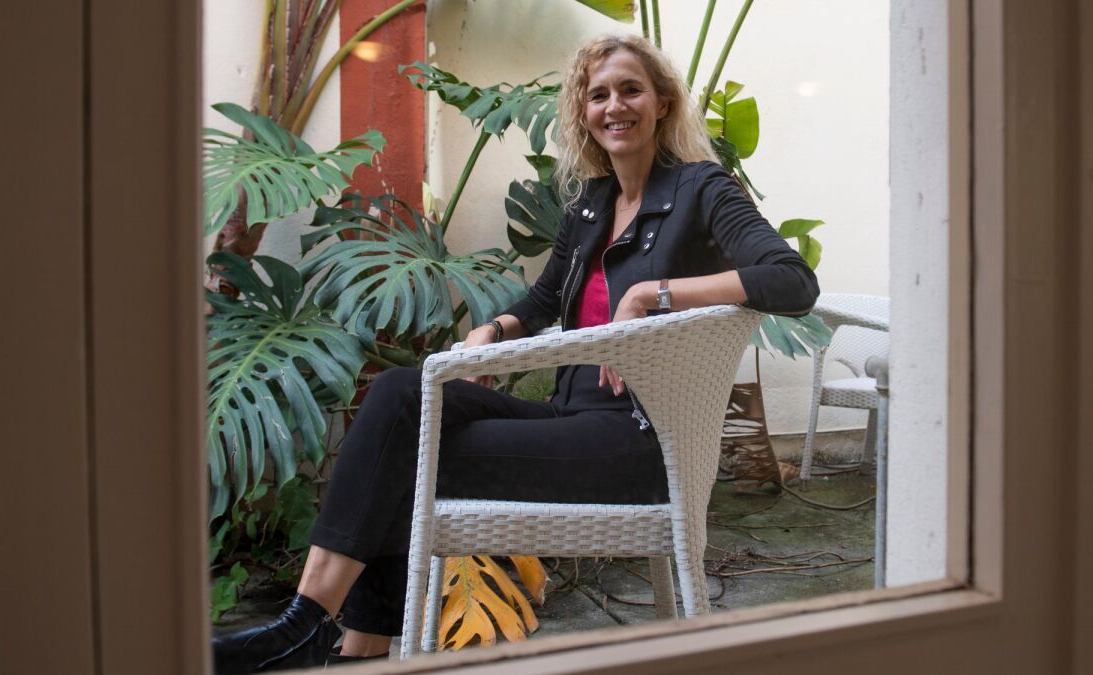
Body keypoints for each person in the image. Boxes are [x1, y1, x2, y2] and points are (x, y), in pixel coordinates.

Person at [213, 34, 818, 673]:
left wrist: (650, 294)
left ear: (662, 103)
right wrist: (494, 330)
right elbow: (544, 298)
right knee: (400, 395)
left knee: (406, 452)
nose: (615, 106)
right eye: (599, 95)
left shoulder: (702, 190)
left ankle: (330, 640)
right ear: (584, 111)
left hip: (641, 439)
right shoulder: (591, 204)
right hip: (569, 418)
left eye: (631, 90)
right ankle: (325, 633)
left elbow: (792, 281)